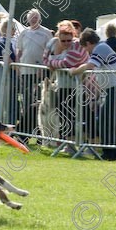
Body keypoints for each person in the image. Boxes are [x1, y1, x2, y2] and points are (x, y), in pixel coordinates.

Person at [70, 28, 116, 160]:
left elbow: (90, 65)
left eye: (85, 48)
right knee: (111, 120)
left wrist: (75, 71)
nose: (87, 52)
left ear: (89, 43)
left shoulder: (100, 48)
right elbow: (99, 74)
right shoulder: (101, 47)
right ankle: (112, 153)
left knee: (107, 120)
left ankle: (111, 153)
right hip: (115, 88)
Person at [43, 21, 89, 151]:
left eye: (69, 40)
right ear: (58, 37)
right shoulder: (51, 43)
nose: (67, 43)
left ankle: (80, 144)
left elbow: (68, 63)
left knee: (76, 116)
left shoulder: (77, 45)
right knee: (62, 115)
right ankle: (66, 143)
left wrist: (53, 63)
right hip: (61, 85)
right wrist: (53, 63)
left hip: (78, 85)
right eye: (63, 41)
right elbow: (45, 60)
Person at [16, 9, 53, 139]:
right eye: (32, 17)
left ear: (40, 18)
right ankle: (25, 133)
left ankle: (40, 133)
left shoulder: (46, 33)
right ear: (27, 19)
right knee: (26, 102)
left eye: (36, 17)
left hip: (41, 73)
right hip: (26, 72)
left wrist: (45, 66)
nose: (34, 19)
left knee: (40, 102)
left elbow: (51, 52)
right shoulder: (24, 33)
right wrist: (18, 67)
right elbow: (19, 52)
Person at [0, 18, 20, 124]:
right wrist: (17, 69)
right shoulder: (5, 44)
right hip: (6, 78)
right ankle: (9, 128)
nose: (15, 31)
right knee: (10, 103)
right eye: (12, 29)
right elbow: (8, 61)